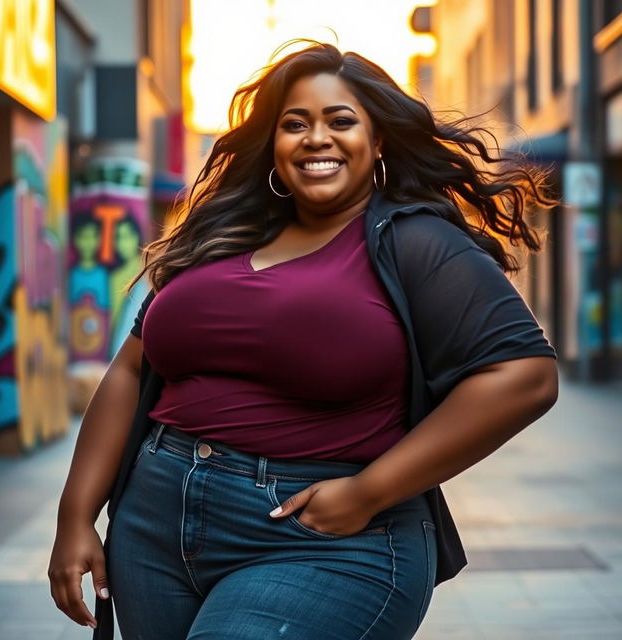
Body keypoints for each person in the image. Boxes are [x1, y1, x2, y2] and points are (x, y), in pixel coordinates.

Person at [48, 42, 559, 640]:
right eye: (295, 124)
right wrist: (75, 516)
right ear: (273, 145)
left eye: (340, 121)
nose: (316, 138)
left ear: (378, 142)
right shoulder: (221, 239)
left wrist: (369, 492)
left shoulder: (415, 242)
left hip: (322, 535)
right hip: (153, 527)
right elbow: (134, 370)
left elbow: (524, 377)